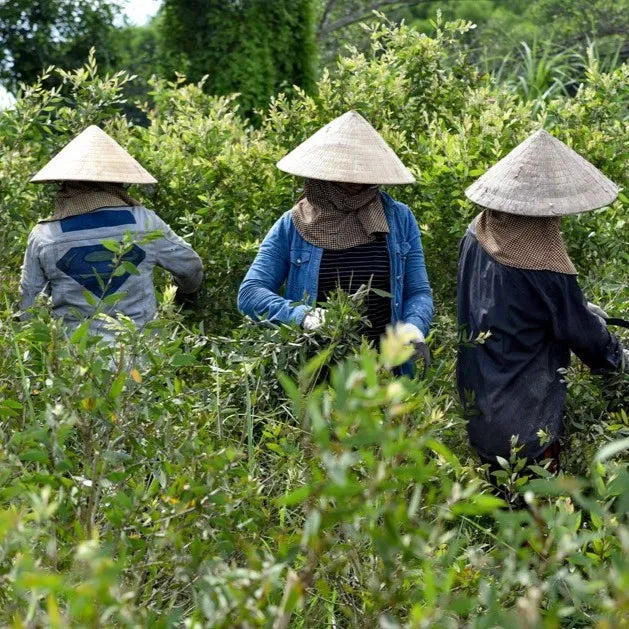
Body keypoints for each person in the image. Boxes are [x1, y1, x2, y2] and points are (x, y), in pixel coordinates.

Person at [457, 129, 627, 475]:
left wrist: (578, 309)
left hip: (478, 397)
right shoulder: (545, 262)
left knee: (494, 497)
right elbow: (584, 337)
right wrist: (618, 357)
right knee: (537, 513)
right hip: (527, 414)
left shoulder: (477, 231)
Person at [237, 110, 433, 375]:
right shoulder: (293, 224)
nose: (354, 182)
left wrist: (414, 324)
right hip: (314, 373)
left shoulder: (398, 219)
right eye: (344, 174)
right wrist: (303, 316)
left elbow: (418, 291)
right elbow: (250, 293)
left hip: (385, 374)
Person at [20, 125, 203, 340]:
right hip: (142, 357)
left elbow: (28, 303)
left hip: (74, 362)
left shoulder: (45, 235)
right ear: (118, 182)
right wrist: (182, 297)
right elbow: (191, 268)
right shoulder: (143, 221)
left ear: (65, 184)